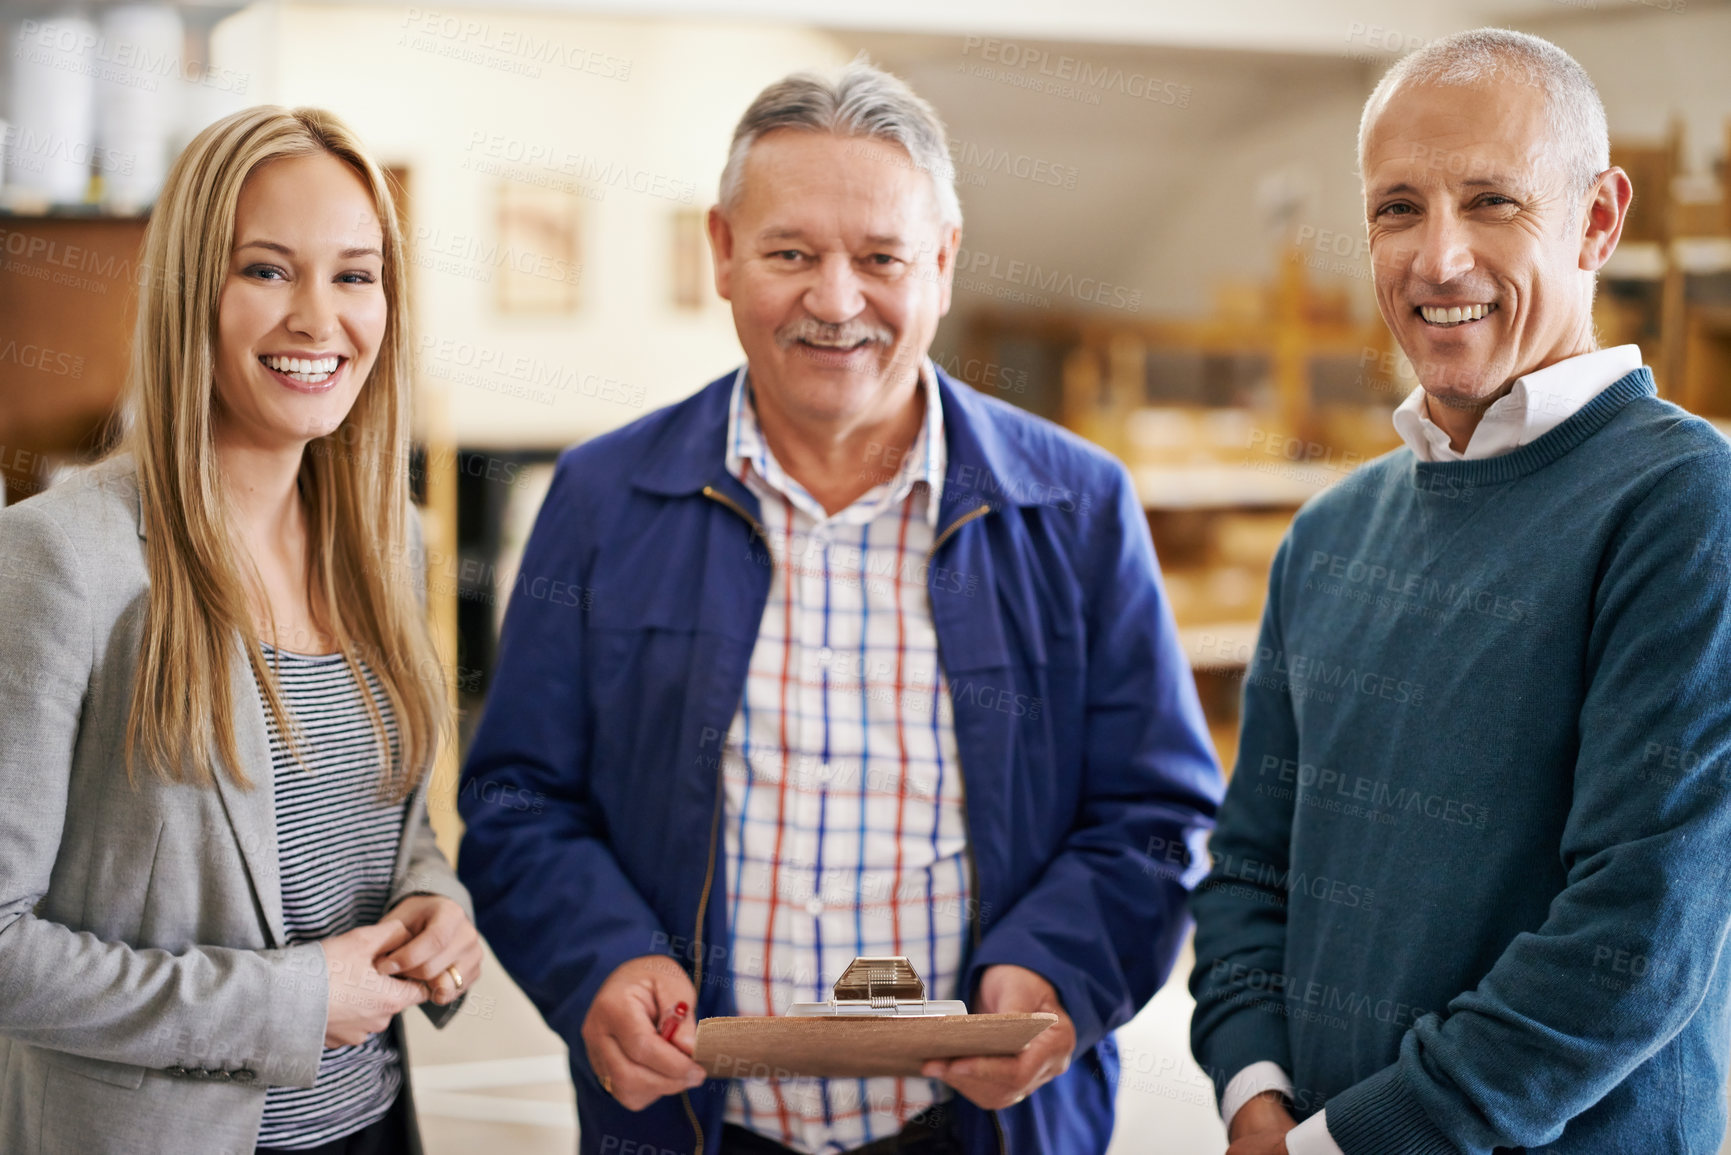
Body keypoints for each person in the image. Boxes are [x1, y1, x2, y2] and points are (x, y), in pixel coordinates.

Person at [457, 60, 1222, 1155]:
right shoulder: (600, 500)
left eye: (880, 258)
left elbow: (1155, 817)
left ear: (944, 263)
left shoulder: (1078, 507)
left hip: (984, 1131)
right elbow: (520, 798)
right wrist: (604, 961)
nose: (835, 300)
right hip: (691, 1126)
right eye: (790, 253)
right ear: (722, 252)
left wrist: (1056, 972)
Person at [1190, 28, 1731, 1155]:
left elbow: (1636, 940)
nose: (1438, 260)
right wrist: (1254, 1096)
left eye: (1492, 201)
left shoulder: (1686, 506)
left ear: (1597, 220)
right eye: (1398, 208)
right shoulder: (1331, 532)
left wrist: (1352, 1140)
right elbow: (1248, 868)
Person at [0, 105, 483, 1155]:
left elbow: (396, 838)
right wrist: (292, 1001)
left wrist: (435, 903)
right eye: (267, 270)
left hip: (373, 1127)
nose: (320, 319)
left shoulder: (390, 544)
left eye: (355, 275)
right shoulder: (58, 559)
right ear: (188, 292)